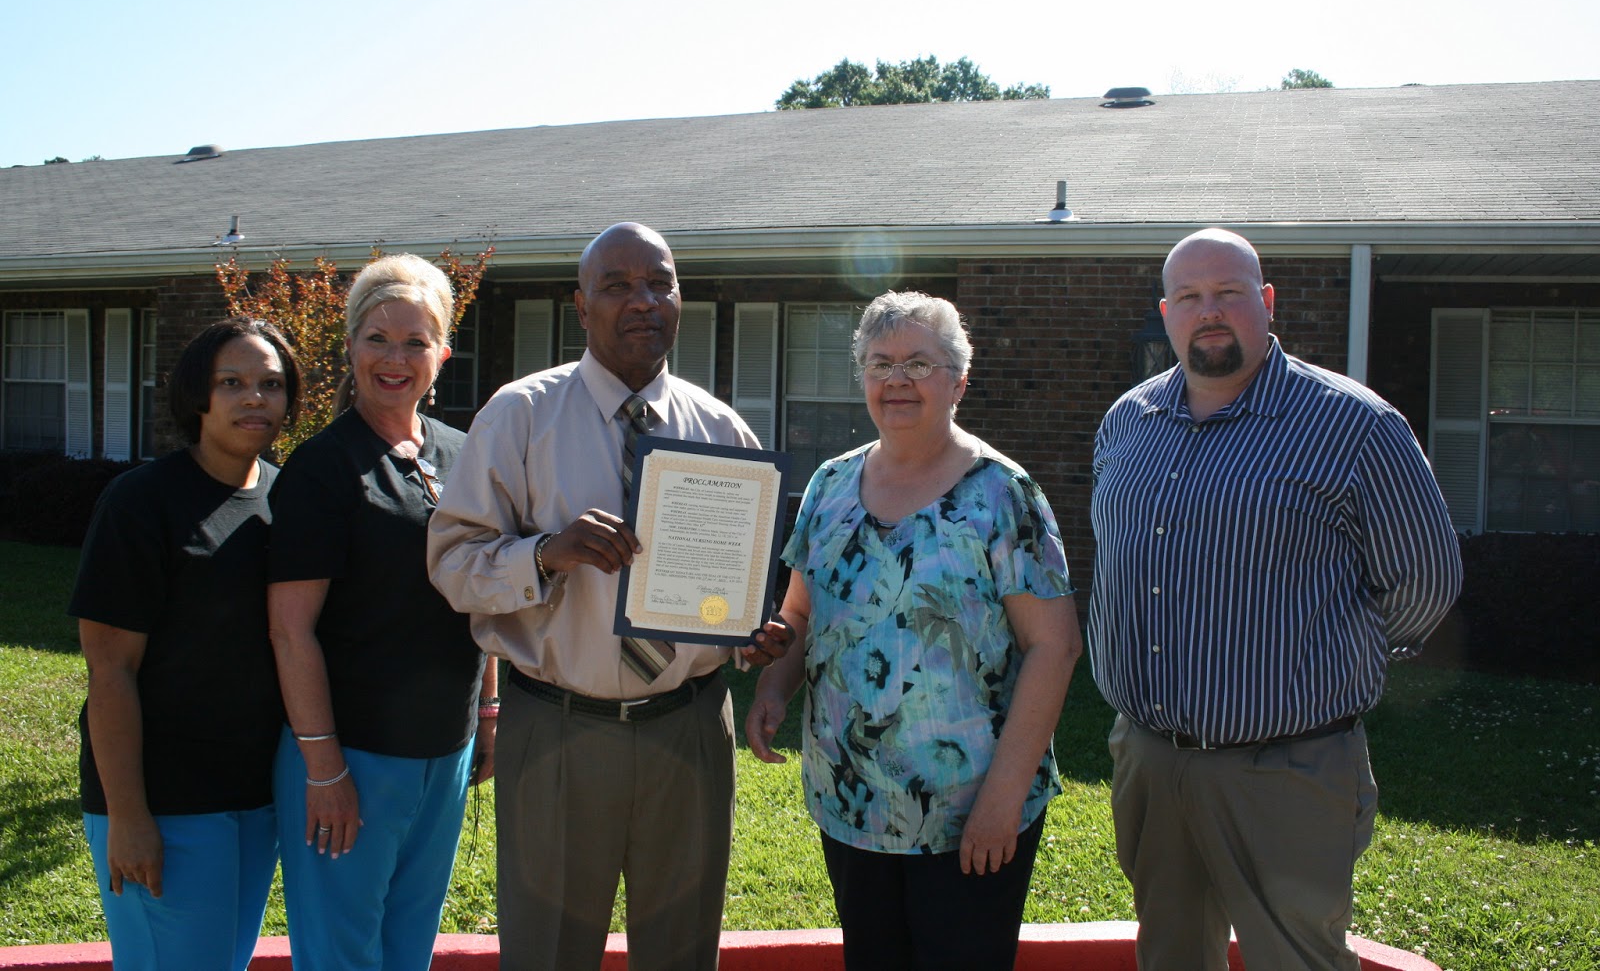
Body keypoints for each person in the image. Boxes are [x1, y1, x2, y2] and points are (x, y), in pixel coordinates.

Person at [1088, 228, 1463, 971]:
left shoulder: (1355, 426)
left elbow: (1424, 582)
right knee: (1168, 955)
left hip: (1287, 771)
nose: (1210, 311)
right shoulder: (1128, 421)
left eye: (1229, 292)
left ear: (1265, 301)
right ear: (1167, 313)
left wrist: (1320, 657)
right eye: (1190, 297)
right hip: (1150, 761)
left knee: (1297, 962)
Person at [427, 222, 791, 971]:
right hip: (556, 730)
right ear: (581, 305)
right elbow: (452, 564)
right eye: (618, 285)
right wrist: (546, 553)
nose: (642, 301)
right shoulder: (518, 416)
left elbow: (737, 594)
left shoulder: (722, 431)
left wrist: (753, 633)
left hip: (688, 731)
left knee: (683, 951)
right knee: (549, 955)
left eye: (659, 283)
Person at [745, 290, 1081, 971]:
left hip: (967, 810)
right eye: (880, 363)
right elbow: (802, 611)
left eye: (919, 365)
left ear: (959, 380)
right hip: (852, 798)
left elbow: (1056, 645)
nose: (897, 380)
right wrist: (774, 686)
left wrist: (1002, 797)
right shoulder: (829, 486)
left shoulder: (1002, 494)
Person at [267, 254, 493, 971]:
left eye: (416, 342)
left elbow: (481, 592)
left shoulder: (465, 455)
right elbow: (289, 628)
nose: (395, 358)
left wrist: (488, 715)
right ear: (350, 347)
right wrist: (324, 768)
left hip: (446, 750)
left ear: (443, 355)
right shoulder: (323, 469)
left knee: (408, 947)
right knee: (342, 953)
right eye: (377, 338)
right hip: (352, 757)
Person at [72, 316, 300, 971]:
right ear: (198, 395)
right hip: (163, 804)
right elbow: (110, 670)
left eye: (271, 383)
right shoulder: (141, 502)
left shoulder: (289, 500)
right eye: (232, 382)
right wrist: (130, 816)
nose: (254, 398)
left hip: (254, 801)